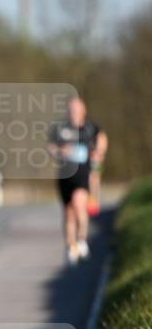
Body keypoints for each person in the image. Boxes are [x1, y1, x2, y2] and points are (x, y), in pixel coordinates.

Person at [48, 96, 107, 264]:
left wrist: (99, 154)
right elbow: (50, 147)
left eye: (76, 110)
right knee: (68, 213)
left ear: (83, 111)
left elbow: (102, 139)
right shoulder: (60, 129)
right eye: (70, 110)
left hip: (82, 175)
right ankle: (70, 245)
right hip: (65, 176)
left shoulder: (90, 128)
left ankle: (82, 241)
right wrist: (59, 152)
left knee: (79, 203)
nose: (73, 113)